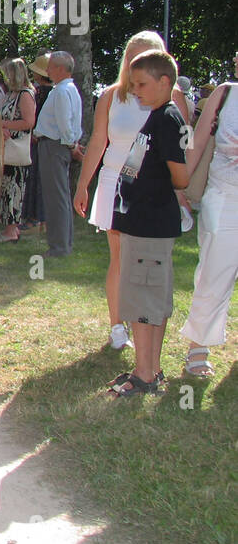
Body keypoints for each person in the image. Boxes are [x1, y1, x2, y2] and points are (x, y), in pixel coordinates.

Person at [74, 31, 189, 350]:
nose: (136, 63)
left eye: (145, 56)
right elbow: (98, 140)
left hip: (154, 185)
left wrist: (182, 191)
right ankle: (117, 326)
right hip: (116, 182)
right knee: (120, 258)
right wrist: (84, 184)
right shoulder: (112, 95)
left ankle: (146, 331)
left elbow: (183, 147)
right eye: (132, 58)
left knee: (148, 263)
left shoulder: (172, 98)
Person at [104, 50, 189, 397]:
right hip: (141, 225)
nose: (135, 90)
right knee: (145, 300)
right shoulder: (157, 116)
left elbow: (180, 176)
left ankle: (144, 375)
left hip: (151, 225)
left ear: (164, 81)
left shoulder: (168, 118)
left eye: (141, 84)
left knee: (144, 303)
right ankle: (148, 369)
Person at [177, 50, 238, 379]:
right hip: (224, 198)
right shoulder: (225, 94)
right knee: (214, 273)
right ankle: (198, 347)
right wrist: (180, 188)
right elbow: (197, 144)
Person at [33, 50, 84, 257]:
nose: (47, 70)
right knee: (59, 197)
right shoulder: (68, 89)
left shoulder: (62, 91)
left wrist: (71, 145)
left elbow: (65, 123)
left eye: (51, 66)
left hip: (54, 146)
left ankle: (59, 247)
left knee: (56, 199)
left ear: (61, 69)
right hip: (57, 145)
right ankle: (62, 244)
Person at [0, 57, 37, 244]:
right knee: (5, 189)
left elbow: (28, 122)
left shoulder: (25, 94)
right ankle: (7, 228)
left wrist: (3, 124)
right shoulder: (12, 94)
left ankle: (12, 230)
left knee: (14, 190)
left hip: (16, 150)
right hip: (6, 149)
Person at [21, 55, 52, 230]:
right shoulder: (45, 92)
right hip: (40, 140)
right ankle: (37, 216)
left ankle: (35, 217)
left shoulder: (40, 94)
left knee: (34, 178)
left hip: (37, 141)